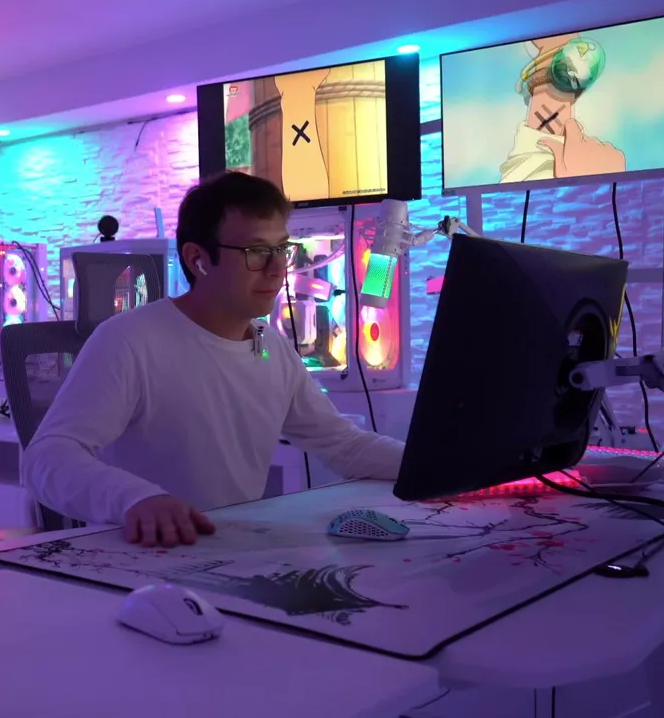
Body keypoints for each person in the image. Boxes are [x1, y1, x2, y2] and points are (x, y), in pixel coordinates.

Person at [21, 171, 406, 547]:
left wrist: (428, 465)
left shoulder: (268, 345)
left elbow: (344, 445)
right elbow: (46, 458)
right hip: (144, 559)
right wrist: (135, 499)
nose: (277, 271)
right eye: (257, 252)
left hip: (233, 552)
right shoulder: (129, 341)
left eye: (281, 250)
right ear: (198, 260)